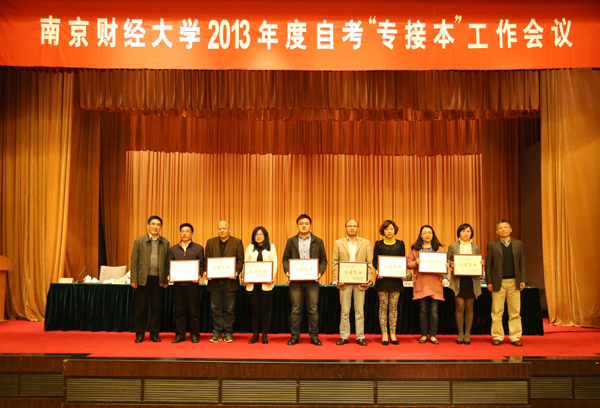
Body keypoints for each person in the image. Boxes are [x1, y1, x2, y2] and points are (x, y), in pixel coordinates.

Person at [282, 214, 328, 346]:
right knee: (295, 309)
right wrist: (287, 271)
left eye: (306, 223)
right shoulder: (291, 241)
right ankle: (295, 336)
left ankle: (314, 336)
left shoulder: (318, 241)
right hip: (295, 281)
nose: (304, 226)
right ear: (297, 225)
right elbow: (285, 259)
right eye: (301, 223)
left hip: (312, 281)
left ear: (310, 225)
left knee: (313, 309)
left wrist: (319, 273)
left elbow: (323, 260)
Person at [486, 220, 527, 347]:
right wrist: (489, 281)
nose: (503, 230)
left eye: (506, 227)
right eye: (500, 228)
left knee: (515, 312)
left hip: (514, 282)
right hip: (498, 282)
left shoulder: (518, 244)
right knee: (497, 312)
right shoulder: (492, 245)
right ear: (497, 231)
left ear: (510, 229)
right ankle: (497, 336)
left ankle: (515, 337)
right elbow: (488, 265)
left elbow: (522, 263)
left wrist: (523, 279)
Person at [332, 220, 373, 346]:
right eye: (349, 226)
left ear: (358, 228)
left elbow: (369, 262)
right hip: (344, 282)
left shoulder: (366, 243)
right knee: (344, 311)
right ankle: (344, 336)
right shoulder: (338, 243)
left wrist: (368, 278)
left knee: (359, 311)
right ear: (345, 228)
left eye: (354, 226)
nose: (352, 228)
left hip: (360, 281)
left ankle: (360, 336)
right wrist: (338, 278)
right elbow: (335, 262)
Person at [131, 216, 170, 343]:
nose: (155, 227)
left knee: (156, 308)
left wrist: (166, 279)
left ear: (161, 227)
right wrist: (134, 278)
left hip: (158, 279)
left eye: (158, 224)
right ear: (148, 225)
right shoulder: (139, 241)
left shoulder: (165, 242)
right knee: (141, 309)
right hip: (143, 279)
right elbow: (134, 261)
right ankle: (140, 334)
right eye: (153, 224)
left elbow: (167, 263)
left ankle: (154, 334)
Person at [204, 221, 244, 343]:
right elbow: (206, 260)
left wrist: (236, 271)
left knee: (229, 309)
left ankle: (228, 333)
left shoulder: (237, 242)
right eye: (219, 228)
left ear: (229, 229)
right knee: (215, 309)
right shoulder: (210, 242)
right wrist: (207, 271)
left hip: (230, 282)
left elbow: (240, 260)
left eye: (224, 228)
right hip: (214, 282)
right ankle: (216, 333)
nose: (222, 230)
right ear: (217, 230)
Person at [168, 223, 206, 344]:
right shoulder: (173, 249)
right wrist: (169, 275)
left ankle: (194, 335)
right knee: (179, 312)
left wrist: (199, 275)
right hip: (178, 286)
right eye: (182, 231)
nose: (184, 233)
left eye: (187, 231)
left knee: (194, 311)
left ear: (192, 233)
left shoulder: (198, 248)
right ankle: (180, 335)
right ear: (180, 233)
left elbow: (202, 265)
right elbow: (169, 265)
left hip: (192, 285)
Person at [407, 225, 445, 345]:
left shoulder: (439, 248)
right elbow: (408, 264)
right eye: (424, 233)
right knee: (423, 309)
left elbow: (444, 264)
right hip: (422, 282)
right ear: (421, 235)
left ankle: (433, 335)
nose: (427, 235)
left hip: (435, 282)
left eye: (429, 232)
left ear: (433, 235)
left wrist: (446, 265)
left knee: (434, 310)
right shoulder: (415, 249)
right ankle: (424, 334)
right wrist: (416, 262)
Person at [447, 223, 483, 345]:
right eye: (463, 231)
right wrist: (450, 264)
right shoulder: (453, 246)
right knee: (459, 306)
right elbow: (448, 261)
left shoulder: (475, 247)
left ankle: (467, 333)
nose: (466, 233)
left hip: (471, 280)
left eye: (468, 231)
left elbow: (477, 262)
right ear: (459, 233)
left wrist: (480, 264)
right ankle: (460, 332)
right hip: (458, 280)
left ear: (471, 233)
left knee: (469, 307)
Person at [372, 220, 406, 345]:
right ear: (383, 231)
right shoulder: (378, 244)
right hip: (382, 280)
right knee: (383, 307)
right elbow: (375, 260)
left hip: (396, 280)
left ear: (395, 230)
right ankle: (384, 334)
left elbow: (402, 260)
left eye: (391, 229)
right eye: (387, 229)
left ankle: (393, 333)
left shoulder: (400, 244)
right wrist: (378, 269)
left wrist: (403, 271)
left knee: (393, 308)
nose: (389, 231)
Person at [243, 227, 278, 344]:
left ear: (265, 236)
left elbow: (275, 263)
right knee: (254, 309)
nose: (258, 236)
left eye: (261, 234)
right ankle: (255, 334)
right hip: (252, 284)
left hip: (266, 284)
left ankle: (264, 334)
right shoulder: (250, 247)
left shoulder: (271, 247)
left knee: (265, 309)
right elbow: (245, 263)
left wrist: (271, 277)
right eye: (256, 234)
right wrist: (245, 277)